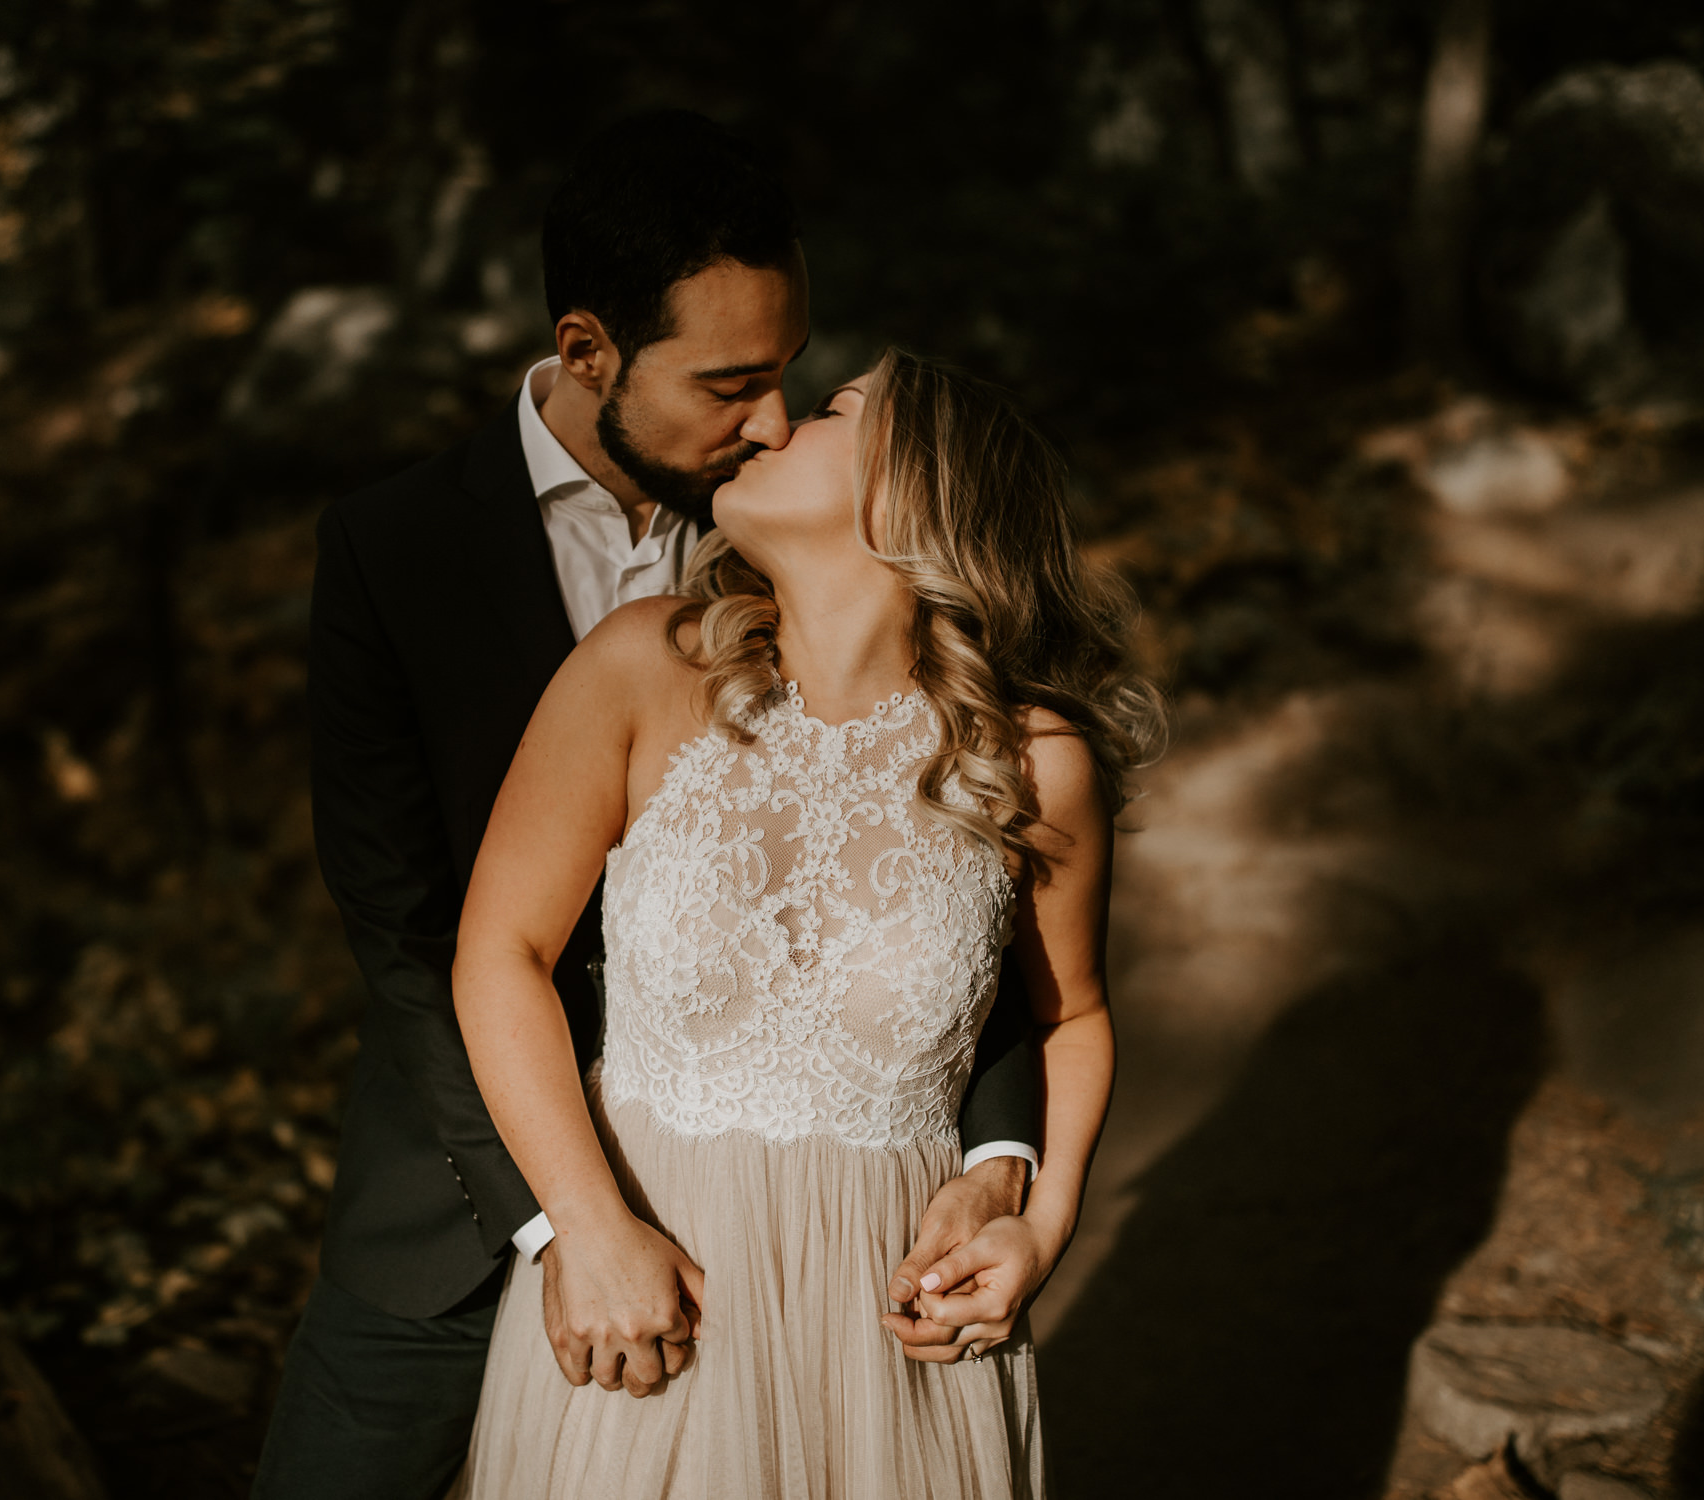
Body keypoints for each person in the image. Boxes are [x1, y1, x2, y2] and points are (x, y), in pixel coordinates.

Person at [251, 113, 1054, 1499]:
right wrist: (568, 1229)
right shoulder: (394, 555)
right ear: (585, 354)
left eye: (790, 374)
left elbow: (948, 894)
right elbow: (410, 937)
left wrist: (997, 1156)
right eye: (731, 381)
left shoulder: (794, 530)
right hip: (466, 1196)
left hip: (798, 1235)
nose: (770, 419)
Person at [447, 347, 1162, 1497]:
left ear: (925, 490)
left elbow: (1069, 1013)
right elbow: (501, 954)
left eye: (834, 411)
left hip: (885, 1321)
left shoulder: (1032, 762)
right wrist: (585, 1228)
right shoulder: (639, 666)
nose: (770, 428)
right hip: (651, 1276)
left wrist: (1044, 1219)